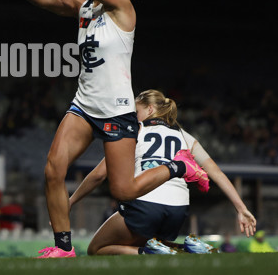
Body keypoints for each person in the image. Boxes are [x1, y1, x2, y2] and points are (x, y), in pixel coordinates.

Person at [0, 0, 209, 258]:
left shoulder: (122, 7)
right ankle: (64, 248)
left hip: (115, 109)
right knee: (52, 170)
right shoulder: (85, 8)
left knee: (123, 190)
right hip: (84, 105)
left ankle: (180, 166)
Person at [69, 90, 257, 255]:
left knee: (97, 249)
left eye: (136, 112)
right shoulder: (184, 136)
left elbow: (99, 175)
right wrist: (241, 209)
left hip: (144, 205)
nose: (134, 117)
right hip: (177, 211)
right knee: (157, 245)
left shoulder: (134, 131)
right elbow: (216, 173)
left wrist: (70, 202)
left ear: (150, 110)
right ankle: (188, 248)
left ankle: (147, 253)